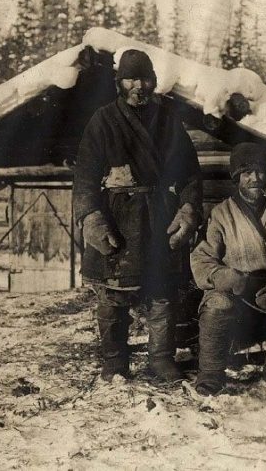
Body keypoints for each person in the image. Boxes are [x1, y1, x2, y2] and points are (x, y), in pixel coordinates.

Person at [73, 49, 203, 382]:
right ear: (119, 82)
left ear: (154, 82)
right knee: (114, 294)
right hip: (118, 217)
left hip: (159, 215)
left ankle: (160, 359)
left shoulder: (167, 120)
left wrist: (188, 208)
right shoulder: (102, 120)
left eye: (145, 78)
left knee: (162, 293)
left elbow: (189, 173)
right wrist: (92, 217)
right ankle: (115, 359)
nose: (139, 86)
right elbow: (86, 177)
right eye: (131, 78)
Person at [191, 143, 266, 395]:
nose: (255, 179)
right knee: (216, 305)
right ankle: (211, 374)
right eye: (247, 174)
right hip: (234, 289)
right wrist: (225, 276)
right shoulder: (221, 214)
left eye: (259, 173)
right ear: (237, 179)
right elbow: (203, 259)